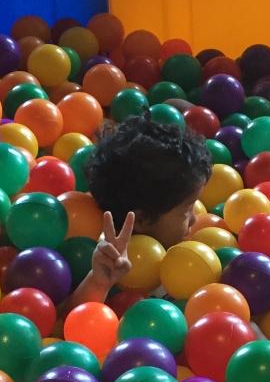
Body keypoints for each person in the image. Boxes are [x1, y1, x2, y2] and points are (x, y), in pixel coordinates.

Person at [65, 115, 213, 307]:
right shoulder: (108, 260)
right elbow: (72, 316)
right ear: (142, 220)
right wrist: (98, 283)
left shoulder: (192, 253)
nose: (194, 219)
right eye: (186, 211)